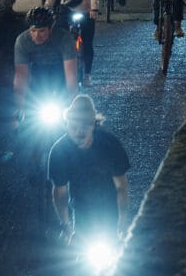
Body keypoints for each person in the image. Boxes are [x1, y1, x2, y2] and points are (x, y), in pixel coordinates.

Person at [48, 95, 130, 243]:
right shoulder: (59, 152)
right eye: (74, 127)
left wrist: (122, 222)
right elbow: (60, 192)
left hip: (109, 209)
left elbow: (121, 187)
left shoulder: (110, 145)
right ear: (66, 124)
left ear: (93, 125)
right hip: (81, 210)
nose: (79, 132)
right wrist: (66, 225)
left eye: (84, 127)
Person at [44, 0, 99, 85]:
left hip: (85, 11)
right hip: (67, 9)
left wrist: (94, 9)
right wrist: (47, 7)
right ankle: (59, 67)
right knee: (60, 36)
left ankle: (87, 74)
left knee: (87, 43)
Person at [14, 6, 79, 111]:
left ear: (51, 28)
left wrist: (73, 107)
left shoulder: (64, 39)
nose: (37, 36)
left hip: (61, 70)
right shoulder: (22, 41)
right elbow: (20, 77)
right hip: (38, 71)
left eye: (42, 31)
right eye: (33, 31)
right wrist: (18, 108)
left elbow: (70, 76)